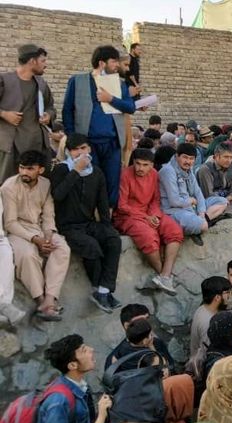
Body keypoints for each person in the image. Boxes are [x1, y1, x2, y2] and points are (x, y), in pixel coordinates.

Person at [50, 133, 121, 313]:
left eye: (83, 148)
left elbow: (102, 203)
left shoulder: (96, 172)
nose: (80, 153)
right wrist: (75, 171)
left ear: (89, 149)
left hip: (87, 223)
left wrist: (107, 225)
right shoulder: (61, 170)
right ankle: (97, 288)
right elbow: (58, 195)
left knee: (113, 239)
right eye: (75, 150)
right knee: (91, 246)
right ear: (69, 152)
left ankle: (104, 290)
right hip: (67, 226)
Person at [62, 45, 136, 207]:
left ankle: (108, 218)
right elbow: (67, 110)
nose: (117, 65)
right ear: (102, 63)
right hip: (87, 144)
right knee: (89, 181)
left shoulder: (120, 84)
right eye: (114, 62)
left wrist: (110, 99)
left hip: (112, 143)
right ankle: (89, 219)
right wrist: (71, 137)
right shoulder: (77, 81)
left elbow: (130, 107)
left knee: (112, 182)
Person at [1, 150, 69, 321]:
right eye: (22, 168)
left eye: (30, 169)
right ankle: (40, 300)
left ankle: (49, 299)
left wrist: (47, 235)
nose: (24, 172)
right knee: (27, 254)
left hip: (39, 228)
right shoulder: (9, 187)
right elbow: (10, 222)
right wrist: (35, 240)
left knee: (61, 248)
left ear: (40, 170)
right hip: (17, 231)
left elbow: (48, 215)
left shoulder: (45, 184)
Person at [114, 149, 183, 295]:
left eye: (145, 165)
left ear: (152, 165)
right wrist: (146, 218)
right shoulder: (125, 174)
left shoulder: (154, 174)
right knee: (148, 236)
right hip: (127, 216)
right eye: (137, 164)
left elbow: (155, 200)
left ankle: (165, 275)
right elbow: (122, 205)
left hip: (150, 213)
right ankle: (164, 276)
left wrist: (155, 216)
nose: (140, 168)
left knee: (174, 230)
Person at [0, 44, 55, 182]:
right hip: (10, 145)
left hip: (38, 145)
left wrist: (49, 116)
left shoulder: (41, 83)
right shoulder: (4, 80)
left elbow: (51, 107)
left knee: (39, 185)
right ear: (32, 61)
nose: (45, 65)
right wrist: (4, 114)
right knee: (7, 186)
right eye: (43, 61)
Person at [36, 334, 112, 423]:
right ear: (72, 365)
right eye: (84, 350)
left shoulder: (81, 386)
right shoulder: (58, 402)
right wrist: (101, 415)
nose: (91, 349)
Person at [159, 143, 228, 246]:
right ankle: (201, 224)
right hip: (175, 211)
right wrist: (190, 201)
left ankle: (202, 221)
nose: (188, 161)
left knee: (223, 201)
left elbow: (198, 192)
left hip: (192, 208)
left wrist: (201, 212)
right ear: (177, 156)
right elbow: (174, 201)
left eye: (191, 159)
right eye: (185, 158)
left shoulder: (189, 169)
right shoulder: (168, 171)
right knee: (204, 226)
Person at [190, 276, 232, 356]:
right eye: (227, 293)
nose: (229, 296)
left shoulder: (203, 307)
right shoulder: (209, 324)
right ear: (217, 297)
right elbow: (210, 354)